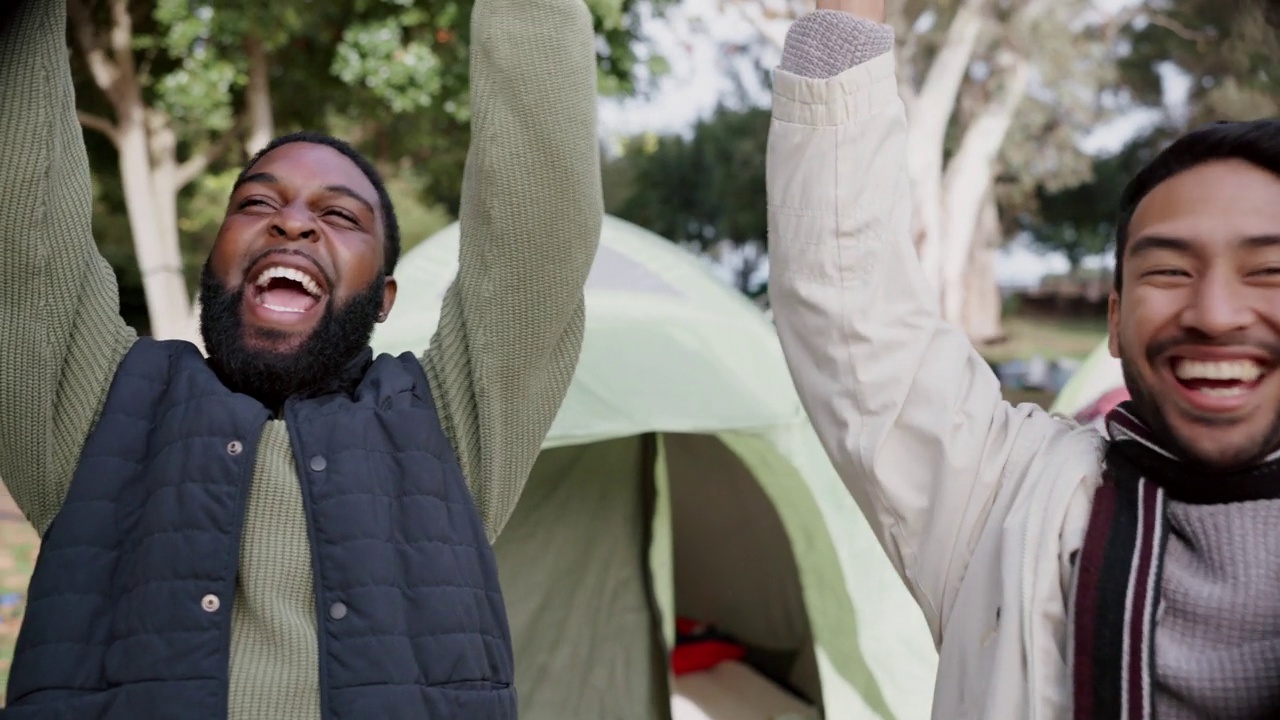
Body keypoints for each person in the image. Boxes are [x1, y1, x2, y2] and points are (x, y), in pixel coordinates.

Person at [0, 0, 602, 717]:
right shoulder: (100, 415)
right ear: (213, 260)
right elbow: (23, 222)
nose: (292, 221)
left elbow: (539, 229)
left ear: (382, 298)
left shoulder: (445, 434)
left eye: (341, 215)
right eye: (256, 204)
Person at [767, 1, 1280, 718]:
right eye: (1168, 271)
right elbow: (850, 313)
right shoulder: (1013, 502)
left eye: (1269, 272)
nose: (1216, 314)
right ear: (1114, 320)